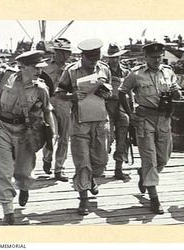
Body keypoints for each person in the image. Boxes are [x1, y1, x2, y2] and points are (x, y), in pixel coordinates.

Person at [0, 50, 56, 225]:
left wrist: (52, 135)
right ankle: (7, 208)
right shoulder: (4, 78)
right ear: (22, 67)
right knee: (1, 169)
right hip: (1, 128)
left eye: (40, 68)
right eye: (35, 68)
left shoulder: (41, 89)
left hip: (26, 132)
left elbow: (47, 112)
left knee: (23, 171)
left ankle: (23, 186)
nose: (39, 71)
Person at [119, 42, 182, 214]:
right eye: (153, 57)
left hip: (164, 119)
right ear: (145, 57)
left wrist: (176, 93)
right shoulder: (136, 74)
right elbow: (122, 92)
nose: (156, 60)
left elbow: (175, 88)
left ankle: (143, 175)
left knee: (163, 158)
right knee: (150, 159)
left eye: (159, 57)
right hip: (144, 119)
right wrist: (130, 113)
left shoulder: (168, 72)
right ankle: (154, 198)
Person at [55, 38, 112, 215]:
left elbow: (109, 91)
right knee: (82, 162)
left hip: (101, 121)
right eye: (90, 59)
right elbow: (59, 93)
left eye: (96, 58)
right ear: (83, 56)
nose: (93, 62)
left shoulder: (104, 69)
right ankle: (83, 200)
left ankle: (91, 180)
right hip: (80, 123)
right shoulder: (71, 71)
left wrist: (107, 91)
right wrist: (72, 96)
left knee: (101, 162)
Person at [42, 38, 72, 182]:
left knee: (64, 138)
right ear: (55, 52)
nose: (64, 56)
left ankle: (59, 169)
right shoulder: (44, 66)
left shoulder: (72, 69)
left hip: (65, 103)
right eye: (61, 52)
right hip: (48, 103)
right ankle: (47, 158)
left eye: (66, 53)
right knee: (51, 134)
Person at [104, 43, 130, 180]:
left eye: (117, 57)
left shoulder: (126, 72)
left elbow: (130, 91)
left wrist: (131, 110)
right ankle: (100, 163)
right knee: (107, 136)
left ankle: (118, 168)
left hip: (121, 106)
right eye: (112, 57)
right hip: (107, 105)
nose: (114, 60)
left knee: (122, 139)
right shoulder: (103, 71)